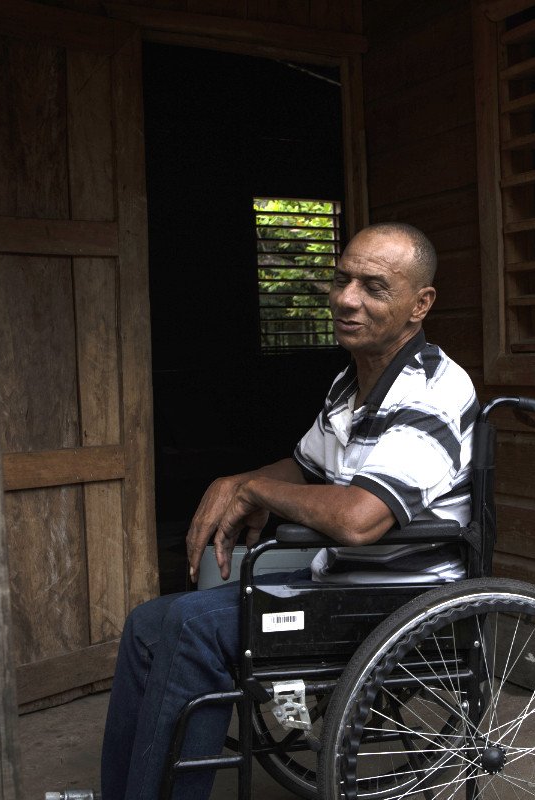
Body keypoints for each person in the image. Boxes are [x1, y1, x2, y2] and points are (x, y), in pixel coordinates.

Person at [100, 222, 478, 799]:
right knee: (146, 625)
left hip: (399, 598)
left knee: (190, 628)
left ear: (419, 305)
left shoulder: (431, 393)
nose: (346, 299)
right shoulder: (352, 384)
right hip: (341, 581)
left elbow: (358, 519)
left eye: (373, 287)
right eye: (342, 279)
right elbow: (303, 467)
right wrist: (233, 482)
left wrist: (255, 492)